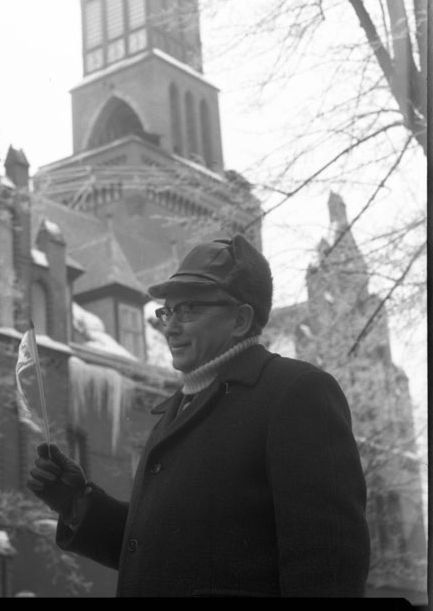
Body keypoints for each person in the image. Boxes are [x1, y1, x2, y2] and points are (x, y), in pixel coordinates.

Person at [26, 234, 370, 597]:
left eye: (189, 309)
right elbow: (161, 550)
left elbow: (330, 567)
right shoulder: (178, 408)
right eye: (168, 311)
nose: (170, 326)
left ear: (240, 319)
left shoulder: (295, 393)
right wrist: (78, 502)